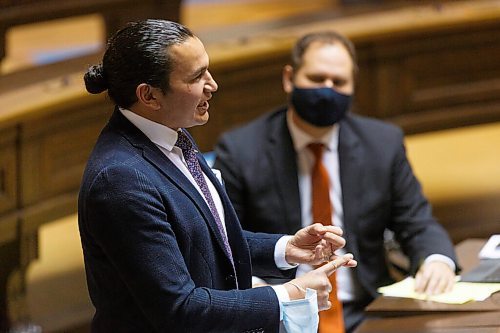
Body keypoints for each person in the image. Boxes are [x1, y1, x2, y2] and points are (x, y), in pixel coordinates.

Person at [78, 20, 357, 333]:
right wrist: (289, 294)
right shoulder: (120, 180)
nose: (213, 84)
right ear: (150, 96)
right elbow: (179, 309)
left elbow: (206, 239)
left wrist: (286, 248)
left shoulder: (171, 136)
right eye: (197, 76)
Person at [213, 30, 459, 333]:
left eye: (339, 82)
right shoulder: (241, 151)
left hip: (367, 309)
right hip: (283, 311)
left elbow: (416, 221)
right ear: (289, 78)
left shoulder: (382, 143)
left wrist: (436, 261)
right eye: (317, 79)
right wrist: (265, 296)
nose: (327, 90)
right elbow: (226, 243)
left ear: (353, 86)